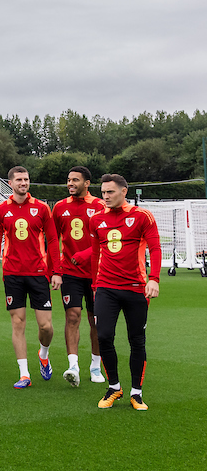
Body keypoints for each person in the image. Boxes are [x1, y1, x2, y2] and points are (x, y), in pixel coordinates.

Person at [87, 174, 161, 410]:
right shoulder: (96, 219)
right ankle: (114, 387)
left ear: (124, 191)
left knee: (137, 340)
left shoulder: (142, 216)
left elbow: (155, 247)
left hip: (136, 288)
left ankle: (136, 393)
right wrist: (95, 285)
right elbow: (95, 254)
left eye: (110, 192)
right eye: (103, 192)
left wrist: (154, 279)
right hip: (106, 288)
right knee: (104, 336)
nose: (105, 197)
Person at [0, 166, 61, 389]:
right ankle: (24, 373)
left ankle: (44, 354)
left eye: (26, 179)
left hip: (38, 273)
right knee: (18, 323)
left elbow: (53, 240)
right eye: (19, 179)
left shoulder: (41, 208)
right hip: (12, 273)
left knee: (45, 326)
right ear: (10, 183)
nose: (23, 183)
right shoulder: (1, 210)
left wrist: (56, 271)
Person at [53, 166, 107, 387]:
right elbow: (51, 241)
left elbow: (107, 239)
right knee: (72, 316)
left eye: (75, 180)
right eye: (68, 180)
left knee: (96, 321)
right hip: (70, 273)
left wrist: (85, 255)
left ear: (87, 183)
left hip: (98, 273)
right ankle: (73, 366)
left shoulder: (100, 206)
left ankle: (95, 366)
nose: (70, 183)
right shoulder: (59, 208)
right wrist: (55, 270)